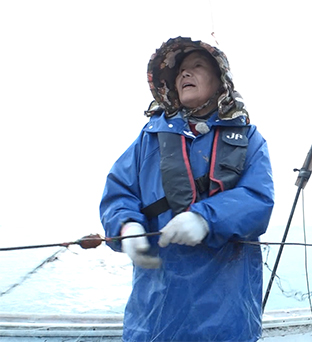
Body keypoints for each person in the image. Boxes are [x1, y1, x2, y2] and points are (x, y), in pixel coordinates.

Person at [100, 37, 274, 342]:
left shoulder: (250, 139)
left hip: (226, 315)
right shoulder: (148, 138)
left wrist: (206, 218)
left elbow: (259, 200)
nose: (185, 74)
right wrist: (125, 226)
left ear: (220, 81)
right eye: (180, 70)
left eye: (197, 66)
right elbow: (119, 191)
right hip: (154, 313)